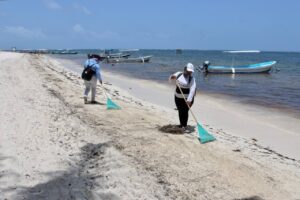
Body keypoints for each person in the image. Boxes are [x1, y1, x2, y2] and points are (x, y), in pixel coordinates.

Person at [169, 63, 196, 131]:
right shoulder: (178, 74)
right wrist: (172, 77)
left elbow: (192, 90)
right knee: (180, 111)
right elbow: (171, 78)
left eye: (190, 72)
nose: (189, 73)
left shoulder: (192, 79)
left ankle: (184, 125)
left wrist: (189, 100)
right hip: (177, 98)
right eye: (188, 71)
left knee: (185, 111)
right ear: (185, 69)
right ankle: (181, 124)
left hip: (187, 99)